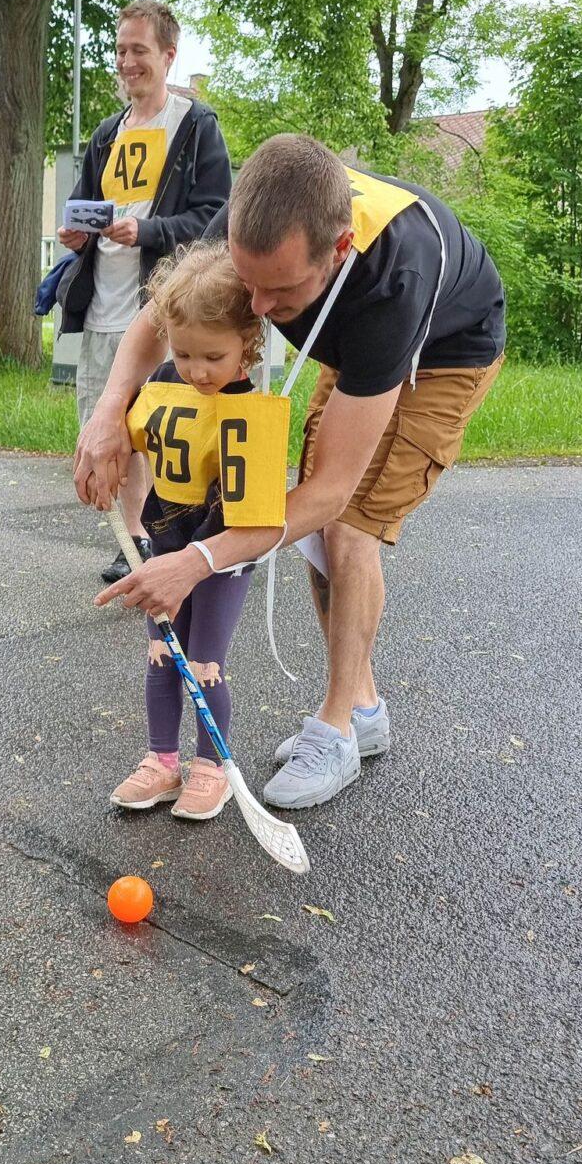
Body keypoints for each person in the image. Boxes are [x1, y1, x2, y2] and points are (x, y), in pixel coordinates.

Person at [76, 134, 506, 811]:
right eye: (247, 281)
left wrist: (197, 561)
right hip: (352, 337)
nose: (254, 305)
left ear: (336, 252)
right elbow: (161, 318)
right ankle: (363, 706)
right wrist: (109, 412)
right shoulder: (255, 218)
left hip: (446, 351)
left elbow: (328, 494)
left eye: (277, 291)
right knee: (313, 536)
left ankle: (338, 730)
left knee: (348, 526)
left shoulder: (394, 279)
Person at [57, 0, 232, 583]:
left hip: (164, 309)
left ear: (168, 55)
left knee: (163, 422)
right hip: (101, 304)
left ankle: (177, 535)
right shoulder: (106, 134)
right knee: (114, 425)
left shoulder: (194, 127)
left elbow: (216, 218)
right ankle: (133, 539)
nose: (128, 62)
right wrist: (76, 238)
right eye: (120, 50)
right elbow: (85, 206)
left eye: (140, 51)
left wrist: (149, 230)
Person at [108, 241, 262, 821]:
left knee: (204, 662)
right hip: (164, 542)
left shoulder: (250, 408)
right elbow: (134, 438)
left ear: (247, 346)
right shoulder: (165, 383)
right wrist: (112, 458)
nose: (196, 370)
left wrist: (210, 552)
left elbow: (254, 510)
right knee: (159, 656)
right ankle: (162, 761)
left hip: (222, 551)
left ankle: (212, 768)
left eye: (213, 357)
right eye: (184, 351)